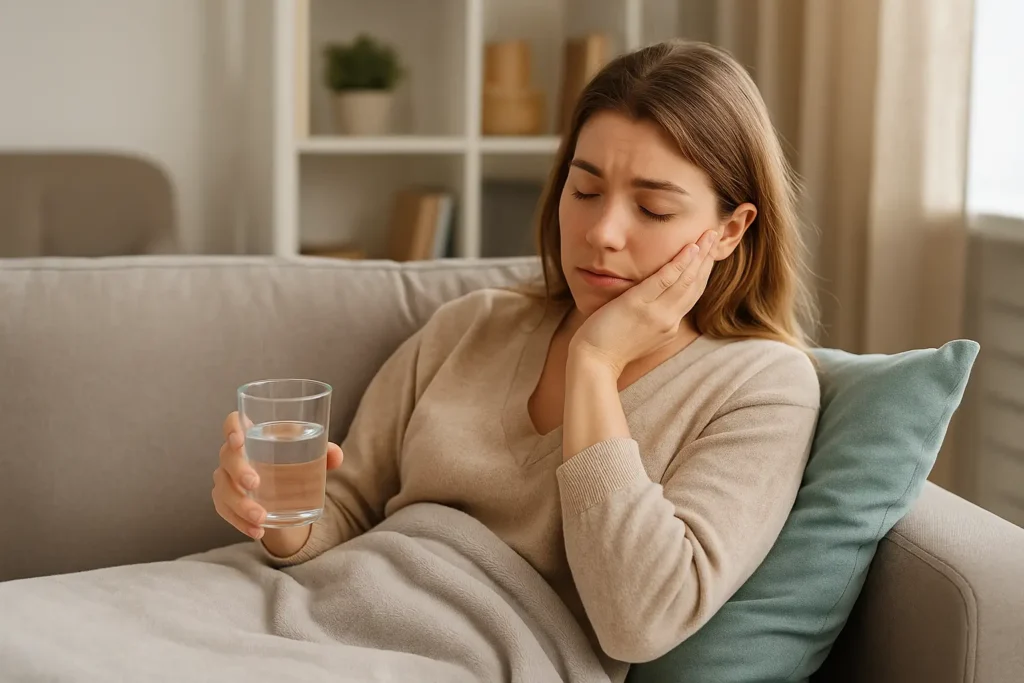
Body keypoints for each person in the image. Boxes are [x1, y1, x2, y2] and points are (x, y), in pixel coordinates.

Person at [212, 39, 820, 666]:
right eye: (584, 192)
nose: (602, 233)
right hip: (299, 615)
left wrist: (595, 365)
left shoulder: (762, 387)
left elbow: (640, 621)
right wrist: (273, 512)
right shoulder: (472, 325)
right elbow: (346, 509)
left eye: (652, 207)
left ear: (729, 230)